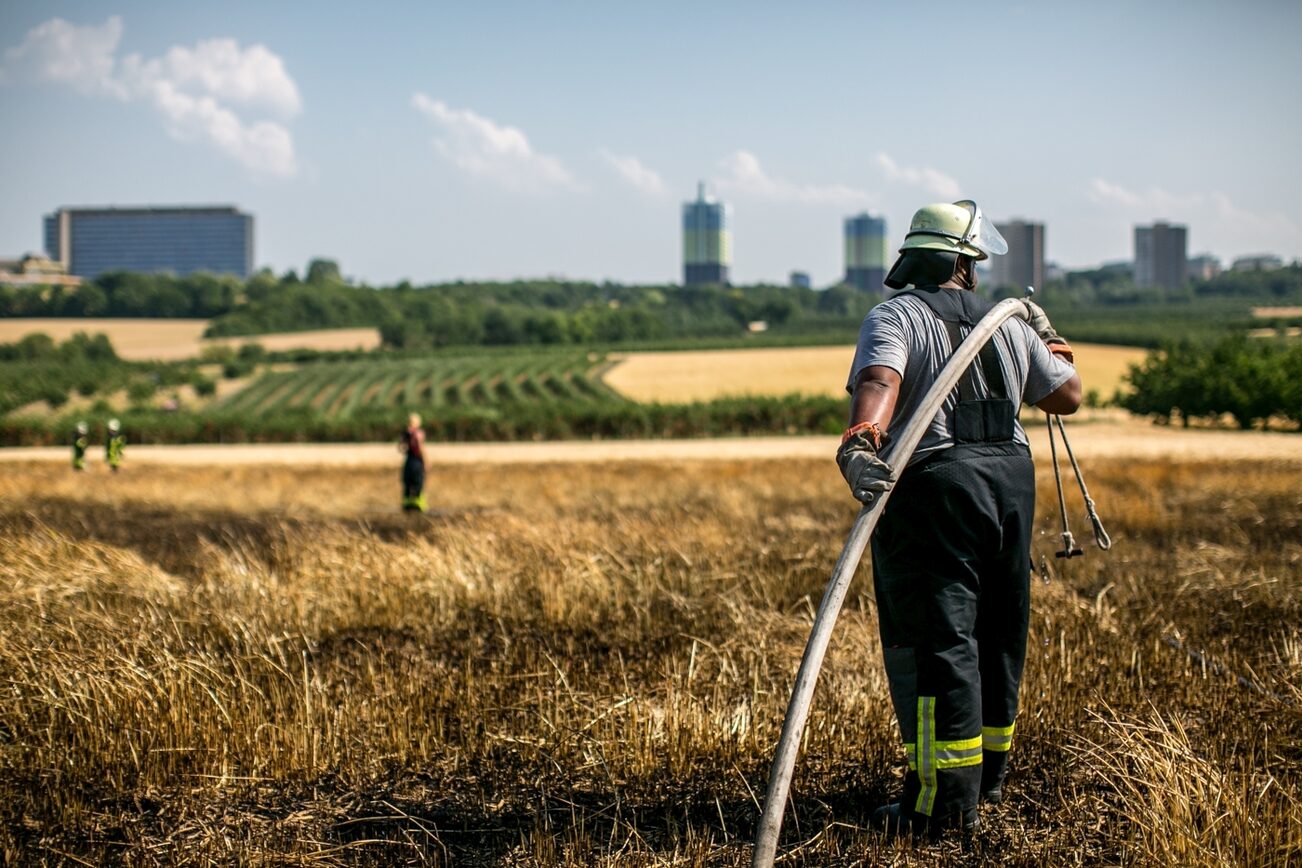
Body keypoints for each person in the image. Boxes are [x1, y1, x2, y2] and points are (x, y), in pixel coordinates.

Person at [837, 200, 1081, 839]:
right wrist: (1048, 334)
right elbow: (1067, 394)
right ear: (964, 265)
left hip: (936, 490)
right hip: (1008, 485)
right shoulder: (1009, 325)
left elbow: (880, 383)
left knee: (937, 640)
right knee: (999, 632)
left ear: (915, 260)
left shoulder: (895, 315)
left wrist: (862, 441)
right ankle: (986, 784)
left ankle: (941, 808)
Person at [399, 413, 427, 512]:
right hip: (417, 460)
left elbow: (401, 448)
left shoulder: (405, 434)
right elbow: (421, 448)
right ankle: (418, 504)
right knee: (418, 481)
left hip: (409, 460)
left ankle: (407, 504)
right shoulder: (418, 433)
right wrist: (426, 461)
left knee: (408, 482)